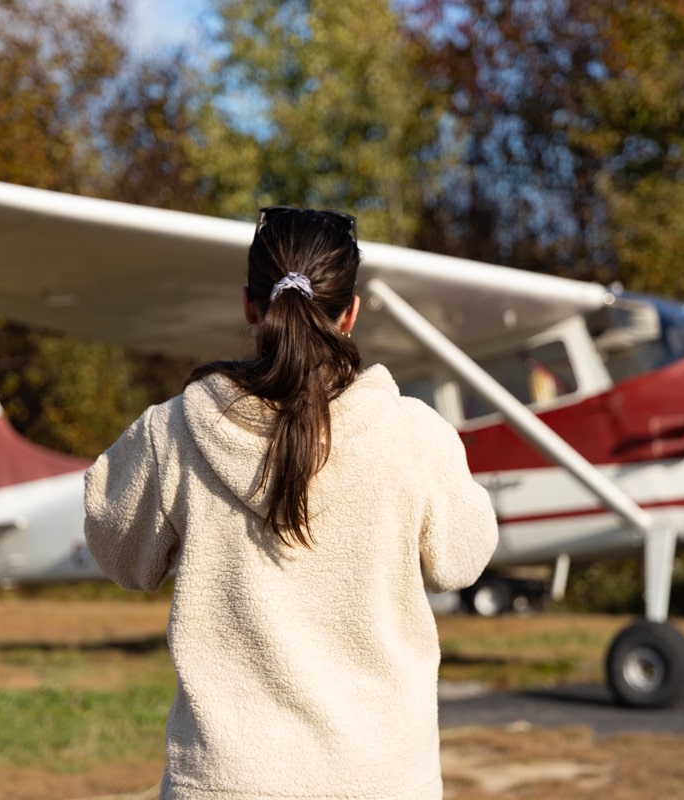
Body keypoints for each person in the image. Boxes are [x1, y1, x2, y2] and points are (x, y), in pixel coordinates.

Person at [83, 206, 499, 799]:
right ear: (350, 313)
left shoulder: (172, 432)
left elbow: (119, 554)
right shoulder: (413, 433)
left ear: (250, 307)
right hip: (384, 782)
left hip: (226, 783)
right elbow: (462, 559)